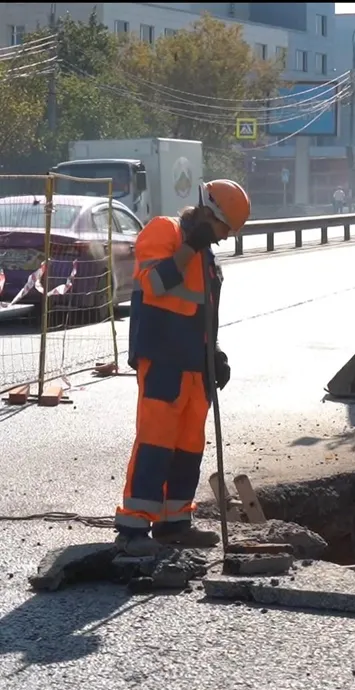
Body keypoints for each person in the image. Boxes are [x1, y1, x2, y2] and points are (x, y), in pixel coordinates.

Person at [114, 179, 251, 556]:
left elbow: (205, 314)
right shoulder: (165, 232)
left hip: (195, 365)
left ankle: (175, 523)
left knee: (188, 446)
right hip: (162, 359)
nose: (223, 238)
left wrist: (216, 352)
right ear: (209, 215)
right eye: (223, 229)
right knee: (155, 441)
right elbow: (154, 283)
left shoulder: (207, 259)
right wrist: (190, 246)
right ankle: (133, 526)